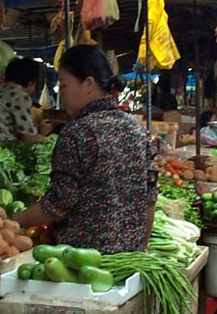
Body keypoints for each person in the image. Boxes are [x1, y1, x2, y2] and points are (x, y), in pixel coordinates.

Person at [13, 45, 157, 254]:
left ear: (88, 84)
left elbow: (58, 203)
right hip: (127, 261)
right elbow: (150, 198)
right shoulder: (137, 129)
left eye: (63, 85)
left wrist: (13, 220)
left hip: (83, 263)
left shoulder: (78, 132)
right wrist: (141, 248)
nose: (62, 95)